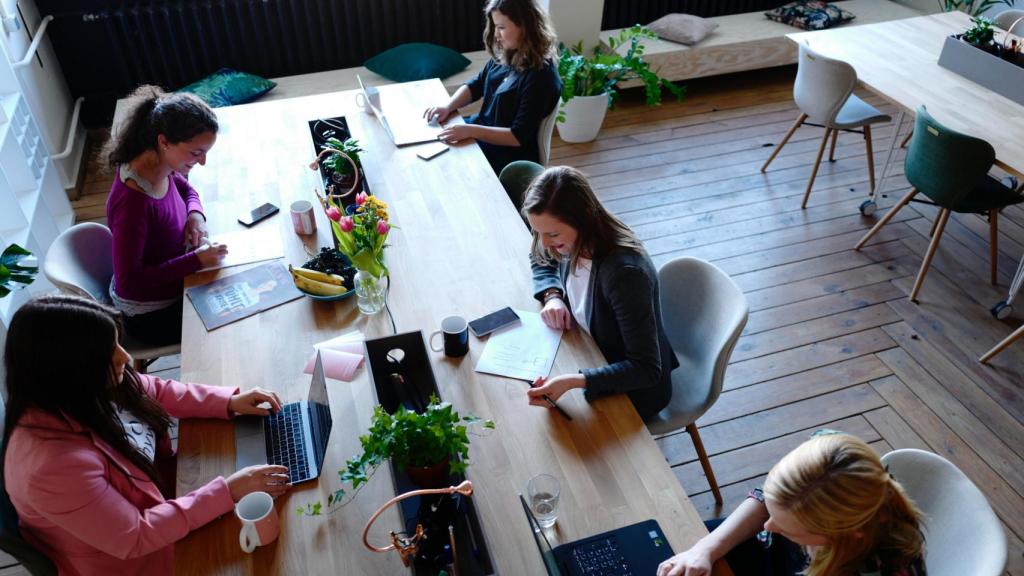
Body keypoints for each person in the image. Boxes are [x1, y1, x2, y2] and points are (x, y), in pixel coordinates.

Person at [1, 295, 289, 575]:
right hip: (135, 560)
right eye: (109, 350)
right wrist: (227, 491)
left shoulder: (82, 386)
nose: (125, 356)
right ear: (68, 370)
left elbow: (154, 390)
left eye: (116, 342)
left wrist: (227, 402)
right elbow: (135, 535)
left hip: (168, 499)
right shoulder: (50, 468)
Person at [523, 166, 677, 420]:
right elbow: (540, 256)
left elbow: (646, 369)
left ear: (583, 219)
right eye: (538, 232)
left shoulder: (624, 275)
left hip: (633, 389)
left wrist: (576, 381)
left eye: (552, 234)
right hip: (590, 350)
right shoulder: (571, 238)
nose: (544, 242)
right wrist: (553, 295)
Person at [657, 432, 926, 576]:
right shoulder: (827, 448)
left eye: (788, 529)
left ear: (840, 533)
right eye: (773, 512)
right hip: (769, 555)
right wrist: (705, 549)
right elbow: (767, 502)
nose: (768, 525)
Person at [105, 85, 229, 346]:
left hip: (177, 277)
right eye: (196, 153)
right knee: (231, 324)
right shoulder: (132, 203)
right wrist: (195, 261)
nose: (202, 161)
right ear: (164, 142)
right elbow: (130, 281)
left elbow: (185, 188)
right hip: (151, 315)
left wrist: (196, 215)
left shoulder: (158, 162)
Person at [423, 0, 561, 174]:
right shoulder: (507, 53)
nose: (496, 35)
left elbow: (517, 136)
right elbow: (476, 85)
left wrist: (470, 130)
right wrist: (448, 106)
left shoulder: (541, 77)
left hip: (508, 156)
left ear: (524, 26)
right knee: (434, 138)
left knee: (444, 163)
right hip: (482, 132)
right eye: (495, 27)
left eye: (501, 27)